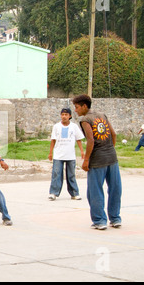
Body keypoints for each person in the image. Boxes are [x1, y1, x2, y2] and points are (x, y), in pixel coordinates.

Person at [72, 94, 122, 230]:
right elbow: (113, 134)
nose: (75, 110)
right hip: (112, 157)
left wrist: (86, 159)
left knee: (95, 191)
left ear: (84, 106)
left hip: (97, 160)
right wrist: (110, 148)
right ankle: (115, 218)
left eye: (76, 107)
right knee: (115, 189)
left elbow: (91, 140)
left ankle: (99, 220)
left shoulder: (85, 119)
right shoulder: (102, 114)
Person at [48, 108, 85, 201]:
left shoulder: (74, 126)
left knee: (71, 175)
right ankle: (53, 193)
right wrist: (50, 153)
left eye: (66, 115)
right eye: (62, 114)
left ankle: (74, 193)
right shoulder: (56, 126)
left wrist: (81, 151)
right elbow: (53, 140)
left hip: (70, 155)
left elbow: (78, 139)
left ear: (70, 116)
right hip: (58, 155)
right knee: (56, 174)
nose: (64, 116)